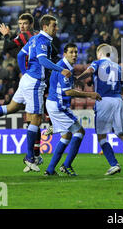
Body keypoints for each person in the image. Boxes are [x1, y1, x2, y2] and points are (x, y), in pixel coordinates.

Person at [0, 15, 72, 172]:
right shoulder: (42, 40)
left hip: (27, 79)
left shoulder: (33, 39)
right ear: (45, 27)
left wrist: (25, 72)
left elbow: (20, 55)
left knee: (11, 107)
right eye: (54, 26)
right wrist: (61, 69)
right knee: (36, 119)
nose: (56, 28)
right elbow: (43, 61)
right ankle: (30, 156)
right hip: (35, 83)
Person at [76, 44, 123, 175]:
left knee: (101, 136)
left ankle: (114, 164)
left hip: (103, 100)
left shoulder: (97, 63)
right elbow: (122, 88)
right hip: (117, 100)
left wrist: (78, 78)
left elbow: (89, 71)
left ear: (100, 53)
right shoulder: (118, 67)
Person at [44, 43, 102, 176]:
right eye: (71, 52)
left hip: (55, 104)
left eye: (76, 52)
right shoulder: (64, 68)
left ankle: (50, 170)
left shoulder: (64, 66)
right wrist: (90, 94)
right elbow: (68, 92)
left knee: (66, 136)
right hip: (58, 106)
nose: (74, 55)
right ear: (65, 54)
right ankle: (66, 165)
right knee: (80, 132)